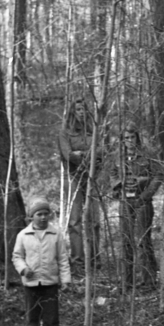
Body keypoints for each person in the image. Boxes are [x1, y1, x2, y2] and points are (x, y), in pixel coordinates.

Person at [12, 196, 71, 326]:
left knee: (51, 321)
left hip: (50, 284)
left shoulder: (55, 234)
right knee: (32, 321)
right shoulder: (23, 235)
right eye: (39, 214)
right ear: (32, 217)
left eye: (46, 214)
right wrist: (23, 269)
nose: (43, 217)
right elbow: (17, 256)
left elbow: (62, 258)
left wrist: (66, 279)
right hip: (31, 286)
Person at [110, 126, 162, 289]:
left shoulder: (148, 154)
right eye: (126, 138)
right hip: (125, 202)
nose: (130, 141)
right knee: (125, 240)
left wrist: (146, 193)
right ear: (122, 139)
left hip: (142, 201)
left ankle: (149, 280)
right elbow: (112, 173)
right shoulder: (118, 156)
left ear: (137, 138)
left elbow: (158, 175)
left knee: (143, 240)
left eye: (132, 137)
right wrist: (117, 187)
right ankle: (127, 281)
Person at [56, 95, 102, 270]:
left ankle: (96, 258)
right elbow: (68, 155)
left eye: (84, 109)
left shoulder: (93, 130)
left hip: (92, 177)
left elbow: (101, 150)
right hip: (73, 177)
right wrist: (87, 155)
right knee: (75, 220)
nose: (81, 113)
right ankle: (77, 260)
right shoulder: (64, 133)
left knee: (94, 220)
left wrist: (83, 154)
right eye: (78, 110)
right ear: (72, 112)